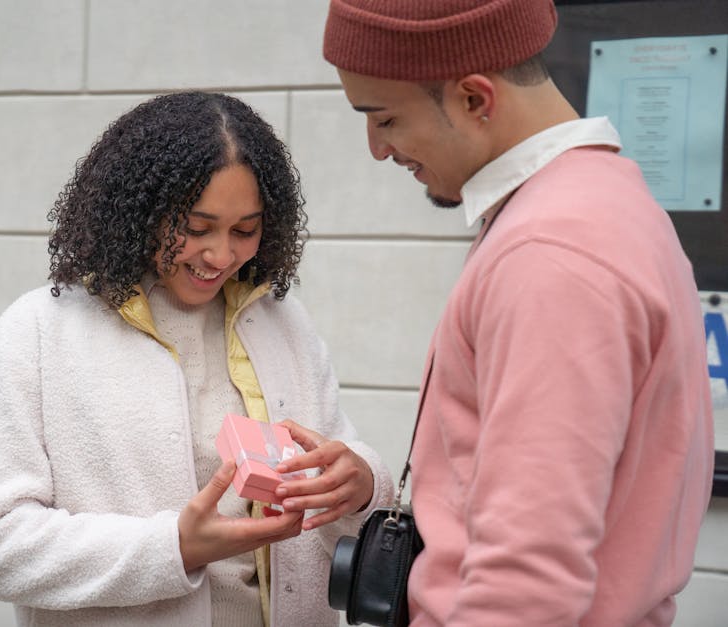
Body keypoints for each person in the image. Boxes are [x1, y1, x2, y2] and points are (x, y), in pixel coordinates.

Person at [304, 0, 715, 625]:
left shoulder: (552, 255)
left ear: (475, 98)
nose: (378, 150)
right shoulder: (606, 204)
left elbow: (527, 585)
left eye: (384, 118)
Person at [0, 91, 393, 627]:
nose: (221, 255)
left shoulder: (284, 323)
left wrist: (362, 483)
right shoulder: (37, 333)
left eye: (245, 230)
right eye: (197, 229)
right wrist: (173, 547)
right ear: (138, 211)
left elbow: (340, 503)